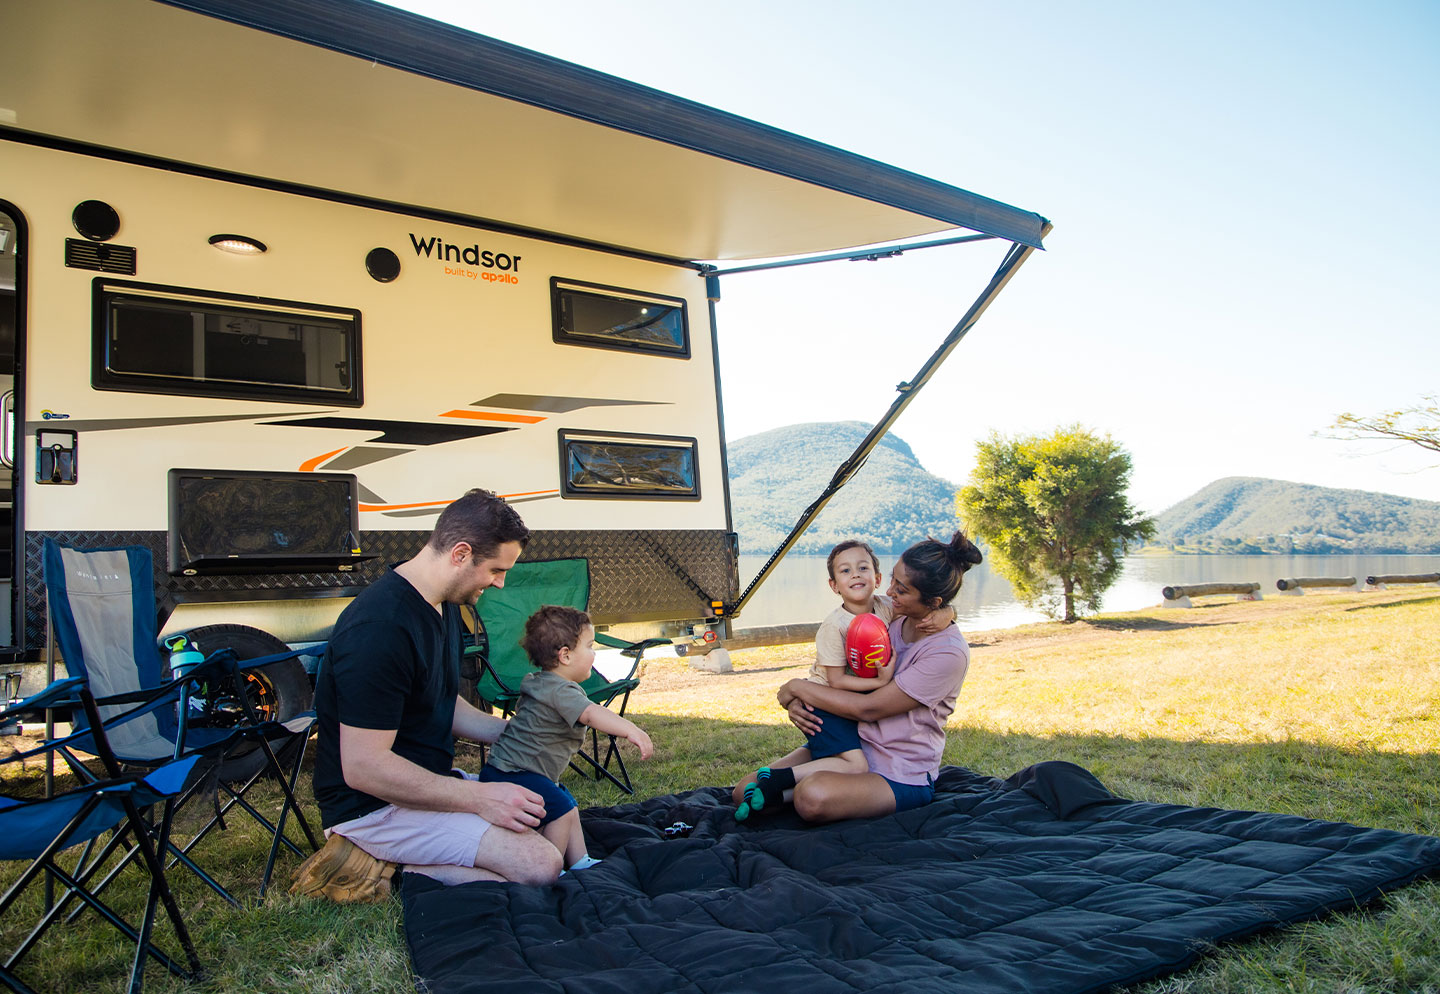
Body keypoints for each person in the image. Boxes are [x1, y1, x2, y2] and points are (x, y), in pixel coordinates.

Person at [308, 488, 562, 888]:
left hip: (426, 784)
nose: (499, 584)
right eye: (496, 570)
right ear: (460, 553)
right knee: (539, 866)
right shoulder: (380, 628)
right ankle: (375, 867)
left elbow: (440, 701)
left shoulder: (441, 603)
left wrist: (514, 734)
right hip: (372, 808)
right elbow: (363, 768)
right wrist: (481, 799)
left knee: (549, 811)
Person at [738, 532, 982, 824]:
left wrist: (795, 688)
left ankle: (801, 787)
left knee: (811, 796)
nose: (890, 592)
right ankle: (804, 784)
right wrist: (799, 703)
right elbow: (840, 674)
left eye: (901, 589)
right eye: (892, 579)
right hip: (853, 742)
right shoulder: (891, 617)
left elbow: (869, 708)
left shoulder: (947, 653)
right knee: (744, 791)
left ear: (933, 601)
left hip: (898, 770)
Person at [480, 605, 653, 872]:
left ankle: (580, 858)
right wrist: (631, 729)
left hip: (505, 770)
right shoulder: (561, 690)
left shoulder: (539, 682)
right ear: (565, 655)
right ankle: (549, 865)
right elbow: (591, 714)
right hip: (516, 773)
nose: (594, 653)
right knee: (559, 809)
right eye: (590, 646)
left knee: (566, 802)